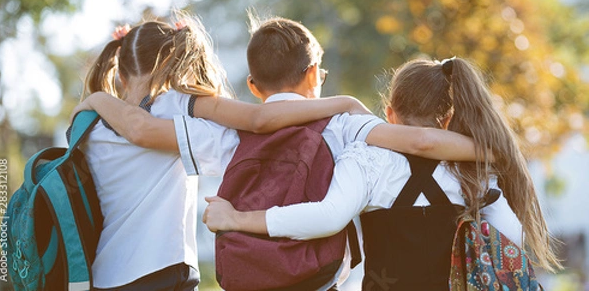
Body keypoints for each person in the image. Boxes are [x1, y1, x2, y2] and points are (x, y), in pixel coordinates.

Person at [73, 15, 482, 290]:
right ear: (312, 75)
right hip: (321, 278)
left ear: (252, 86)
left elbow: (153, 132)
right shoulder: (343, 124)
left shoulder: (223, 136)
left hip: (249, 275)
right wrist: (490, 150)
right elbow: (417, 141)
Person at [203, 57, 562, 290]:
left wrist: (237, 218)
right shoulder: (471, 168)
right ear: (449, 118)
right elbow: (511, 235)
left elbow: (326, 218)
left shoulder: (366, 160)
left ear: (389, 113)